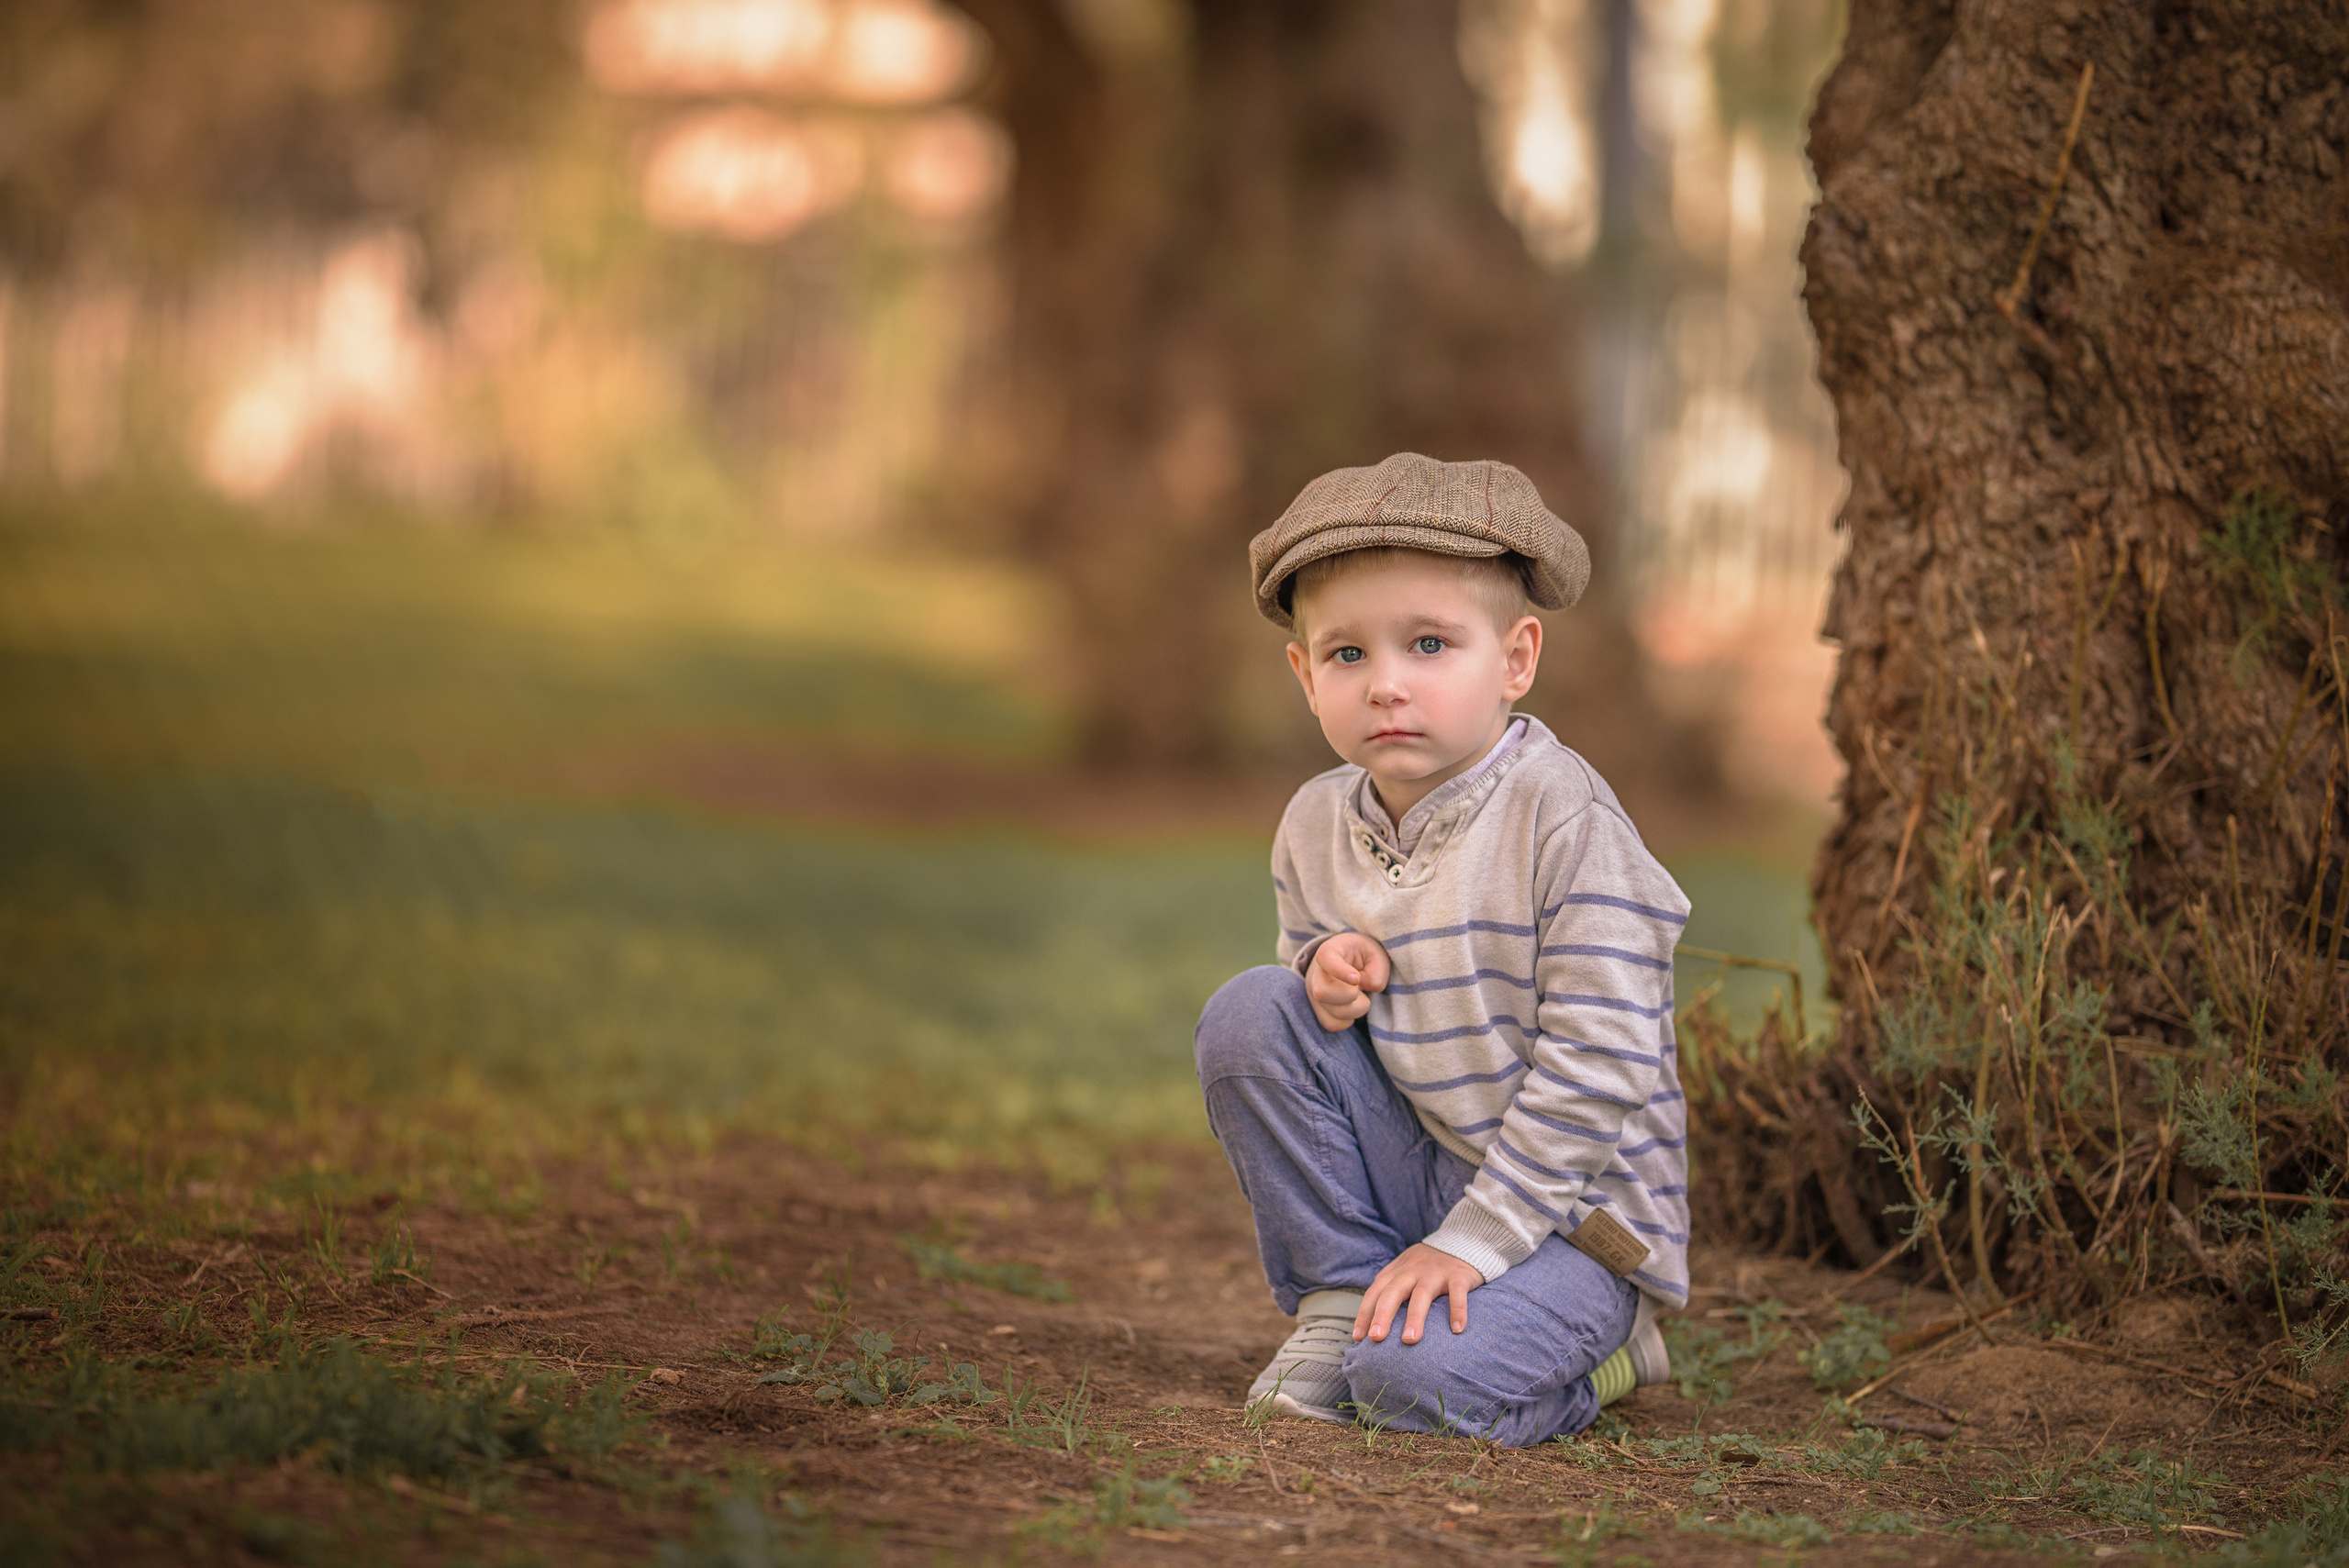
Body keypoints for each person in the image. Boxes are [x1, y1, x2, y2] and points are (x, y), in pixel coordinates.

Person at [1194, 451, 1687, 1446]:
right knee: (1250, 1011)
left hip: (1570, 1223)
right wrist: (1324, 968)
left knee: (1407, 1385)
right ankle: (1340, 1296)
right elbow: (1305, 983)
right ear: (1303, 674)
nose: (1385, 685)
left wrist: (1472, 1244)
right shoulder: (1314, 818)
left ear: (1515, 658)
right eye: (1346, 654)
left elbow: (1602, 1064)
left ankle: (1616, 1345)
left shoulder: (1564, 818)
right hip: (1417, 1162)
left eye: (1428, 643)